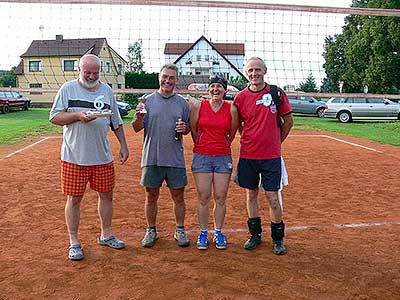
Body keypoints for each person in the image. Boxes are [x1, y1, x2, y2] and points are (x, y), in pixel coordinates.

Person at [49, 54, 129, 261]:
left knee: (107, 196)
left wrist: (123, 145)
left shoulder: (107, 91)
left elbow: (116, 122)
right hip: (74, 157)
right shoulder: (68, 89)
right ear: (79, 69)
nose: (92, 76)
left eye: (95, 72)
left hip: (102, 157)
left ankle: (106, 234)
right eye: (88, 72)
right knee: (74, 199)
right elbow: (55, 117)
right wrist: (77, 116)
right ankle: (74, 242)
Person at [233, 57, 293, 255]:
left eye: (257, 70)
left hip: (271, 156)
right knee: (251, 195)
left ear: (264, 71)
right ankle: (255, 235)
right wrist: (249, 138)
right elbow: (238, 124)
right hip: (248, 155)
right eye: (250, 70)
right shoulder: (240, 98)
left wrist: (276, 142)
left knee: (272, 196)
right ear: (246, 73)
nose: (254, 74)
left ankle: (278, 239)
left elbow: (288, 121)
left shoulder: (276, 92)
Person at [132, 64, 191, 248]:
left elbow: (188, 128)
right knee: (151, 196)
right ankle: (151, 230)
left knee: (178, 196)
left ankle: (180, 229)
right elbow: (136, 127)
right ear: (159, 78)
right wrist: (139, 117)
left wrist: (185, 129)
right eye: (165, 77)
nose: (168, 81)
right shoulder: (148, 101)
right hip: (152, 158)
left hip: (175, 158)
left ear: (177, 80)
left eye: (171, 78)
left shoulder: (182, 103)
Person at [190, 74, 238, 250]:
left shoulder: (231, 109)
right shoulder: (198, 106)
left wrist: (221, 144)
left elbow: (232, 133)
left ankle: (218, 231)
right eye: (212, 86)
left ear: (225, 89)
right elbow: (194, 130)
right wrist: (203, 144)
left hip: (222, 156)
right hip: (202, 155)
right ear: (208, 89)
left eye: (219, 86)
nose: (215, 89)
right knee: (203, 196)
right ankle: (203, 232)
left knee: (220, 196)